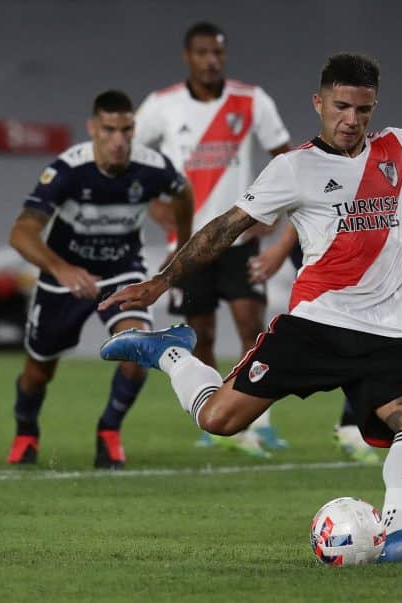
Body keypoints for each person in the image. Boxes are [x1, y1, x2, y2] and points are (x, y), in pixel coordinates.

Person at [99, 53, 402, 562]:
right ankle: (170, 353)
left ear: (374, 108)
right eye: (341, 107)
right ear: (320, 103)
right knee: (219, 420)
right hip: (315, 325)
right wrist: (163, 281)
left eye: (362, 110)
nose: (351, 120)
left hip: (387, 332)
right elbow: (225, 228)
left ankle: (399, 536)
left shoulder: (399, 149)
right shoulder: (294, 168)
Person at [249, 84, 402, 464]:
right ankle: (270, 417)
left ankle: (350, 425)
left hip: (377, 268)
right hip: (327, 257)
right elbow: (320, 204)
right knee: (351, 339)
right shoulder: (397, 157)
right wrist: (278, 249)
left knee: (374, 338)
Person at [6, 90, 193, 468]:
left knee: (137, 353)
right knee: (38, 372)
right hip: (65, 275)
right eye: (109, 130)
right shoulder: (67, 171)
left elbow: (183, 191)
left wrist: (181, 247)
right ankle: (26, 430)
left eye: (126, 129)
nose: (119, 140)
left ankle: (109, 430)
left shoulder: (153, 166)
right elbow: (21, 233)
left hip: (122, 270)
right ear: (93, 129)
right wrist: (62, 268)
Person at [135, 21, 291, 457]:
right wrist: (151, 202)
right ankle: (210, 416)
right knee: (200, 334)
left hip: (238, 241)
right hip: (187, 245)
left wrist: (273, 213)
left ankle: (260, 423)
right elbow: (129, 151)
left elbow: (289, 158)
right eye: (202, 53)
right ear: (188, 57)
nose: (211, 61)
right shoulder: (162, 105)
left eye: (217, 53)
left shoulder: (251, 100)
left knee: (253, 330)